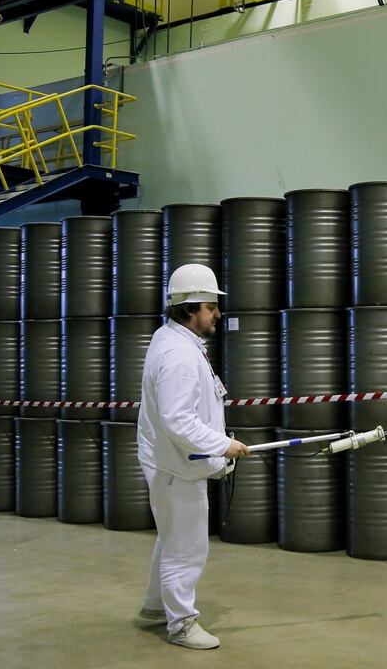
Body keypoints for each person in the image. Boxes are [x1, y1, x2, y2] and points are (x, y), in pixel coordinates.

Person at [134, 263, 250, 650]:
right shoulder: (180, 357)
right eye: (210, 306)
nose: (217, 313)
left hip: (169, 462)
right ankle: (182, 623)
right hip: (176, 467)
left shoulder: (172, 341)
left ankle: (155, 605)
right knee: (186, 547)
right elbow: (177, 419)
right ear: (190, 309)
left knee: (170, 539)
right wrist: (221, 444)